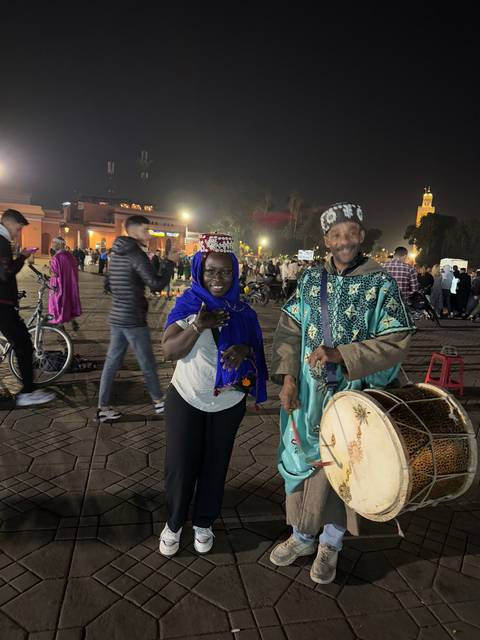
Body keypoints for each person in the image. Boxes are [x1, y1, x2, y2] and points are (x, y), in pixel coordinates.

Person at [269, 202, 415, 584]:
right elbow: (288, 330)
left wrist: (344, 355)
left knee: (343, 470)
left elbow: (398, 340)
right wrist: (287, 378)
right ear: (326, 241)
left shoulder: (380, 282)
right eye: (336, 235)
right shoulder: (309, 280)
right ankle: (302, 536)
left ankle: (331, 544)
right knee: (301, 461)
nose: (344, 241)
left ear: (362, 236)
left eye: (351, 233)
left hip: (354, 397)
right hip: (305, 397)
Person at [159, 233, 268, 556]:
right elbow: (168, 351)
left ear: (235, 274)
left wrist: (244, 349)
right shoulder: (188, 304)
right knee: (180, 465)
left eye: (225, 272)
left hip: (228, 402)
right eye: (210, 271)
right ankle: (175, 523)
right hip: (187, 397)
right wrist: (198, 326)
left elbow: (257, 353)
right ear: (199, 271)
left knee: (215, 465)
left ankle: (204, 522)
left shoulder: (244, 312)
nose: (217, 279)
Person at [97, 215, 171, 422]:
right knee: (147, 362)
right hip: (133, 318)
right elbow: (155, 284)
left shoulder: (115, 251)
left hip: (118, 315)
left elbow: (108, 284)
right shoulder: (135, 253)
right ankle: (159, 402)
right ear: (135, 230)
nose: (148, 234)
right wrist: (169, 264)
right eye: (146, 230)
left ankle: (103, 406)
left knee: (112, 363)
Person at [0, 209, 56, 407]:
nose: (18, 232)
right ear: (8, 222)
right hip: (3, 306)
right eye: (18, 227)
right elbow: (6, 274)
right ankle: (27, 392)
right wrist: (22, 257)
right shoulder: (2, 242)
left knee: (22, 343)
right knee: (23, 344)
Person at [48, 237, 82, 331]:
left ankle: (59, 324)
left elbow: (55, 273)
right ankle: (72, 321)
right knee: (68, 302)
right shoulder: (70, 256)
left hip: (59, 285)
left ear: (58, 244)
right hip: (70, 285)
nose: (52, 244)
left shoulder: (57, 257)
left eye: (53, 242)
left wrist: (49, 268)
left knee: (58, 303)